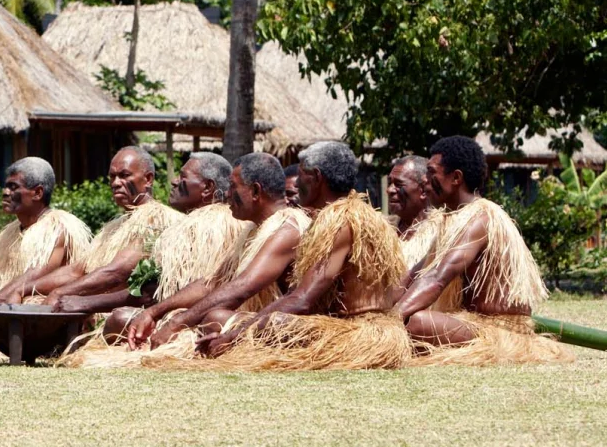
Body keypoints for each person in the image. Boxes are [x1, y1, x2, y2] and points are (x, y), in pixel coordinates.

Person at [200, 142, 410, 370]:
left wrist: (235, 335)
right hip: (340, 326)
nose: (295, 183)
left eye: (300, 175)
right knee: (219, 317)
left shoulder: (342, 221)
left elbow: (302, 300)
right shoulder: (337, 217)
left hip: (359, 333)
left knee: (272, 322)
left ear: (316, 178)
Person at [55, 152, 250, 367]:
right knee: (120, 319)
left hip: (200, 319)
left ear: (207, 188)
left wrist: (86, 301)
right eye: (112, 177)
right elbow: (151, 290)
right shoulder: (186, 226)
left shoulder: (216, 225)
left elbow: (206, 285)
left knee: (120, 319)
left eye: (182, 177)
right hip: (176, 314)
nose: (174, 181)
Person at [394, 136, 568, 366]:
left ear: (456, 178)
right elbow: (416, 274)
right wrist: (375, 311)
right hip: (473, 323)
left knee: (414, 323)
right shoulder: (454, 220)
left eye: (432, 172)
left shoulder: (481, 218)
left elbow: (437, 278)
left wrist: (391, 319)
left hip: (498, 330)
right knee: (411, 320)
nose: (425, 181)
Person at [125, 152, 308, 353]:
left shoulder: (288, 228)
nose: (227, 194)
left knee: (216, 319)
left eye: (233, 186)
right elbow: (212, 282)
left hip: (292, 329)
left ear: (255, 191)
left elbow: (242, 288)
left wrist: (177, 323)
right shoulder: (253, 230)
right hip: (259, 323)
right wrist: (154, 312)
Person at [8, 146, 178, 305]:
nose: (115, 183)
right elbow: (76, 271)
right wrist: (24, 289)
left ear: (148, 179)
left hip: (128, 316)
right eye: (112, 176)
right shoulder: (115, 226)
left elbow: (115, 273)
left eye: (124, 175)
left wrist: (59, 294)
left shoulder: (155, 220)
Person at [0, 158, 90, 302]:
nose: (5, 192)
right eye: (6, 186)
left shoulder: (58, 228)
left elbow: (32, 279)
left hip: (42, 310)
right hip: (6, 306)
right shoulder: (10, 232)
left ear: (37, 193)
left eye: (13, 187)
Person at [389, 154, 441, 270]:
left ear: (423, 190)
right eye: (390, 183)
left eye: (398, 184)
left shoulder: (441, 232)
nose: (389, 190)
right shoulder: (381, 229)